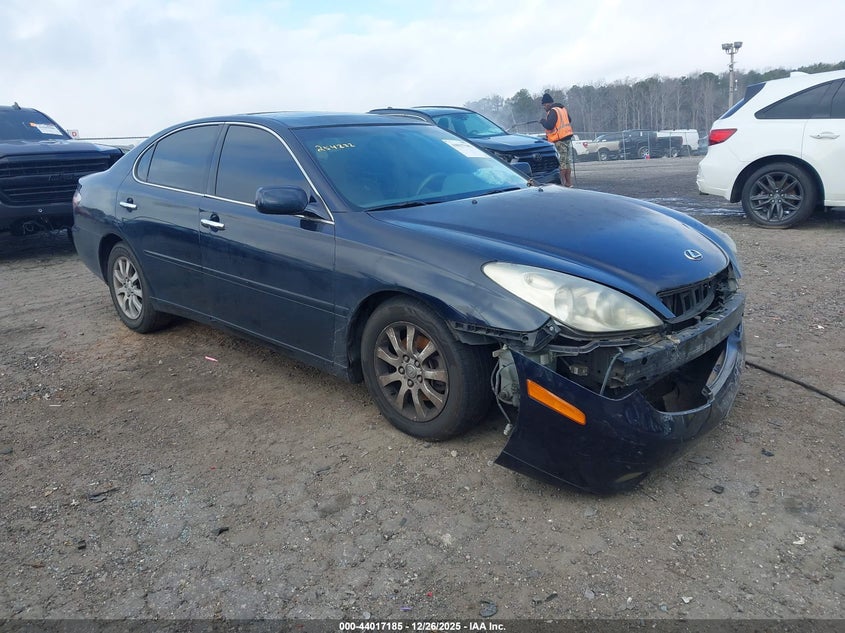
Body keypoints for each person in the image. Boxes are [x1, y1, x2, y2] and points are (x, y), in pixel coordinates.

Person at [539, 92, 574, 187]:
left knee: (561, 162)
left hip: (559, 139)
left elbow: (550, 125)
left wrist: (543, 121)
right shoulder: (562, 109)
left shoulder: (553, 111)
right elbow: (569, 120)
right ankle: (569, 183)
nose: (544, 107)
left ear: (548, 104)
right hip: (567, 137)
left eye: (544, 105)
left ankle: (563, 183)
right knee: (566, 161)